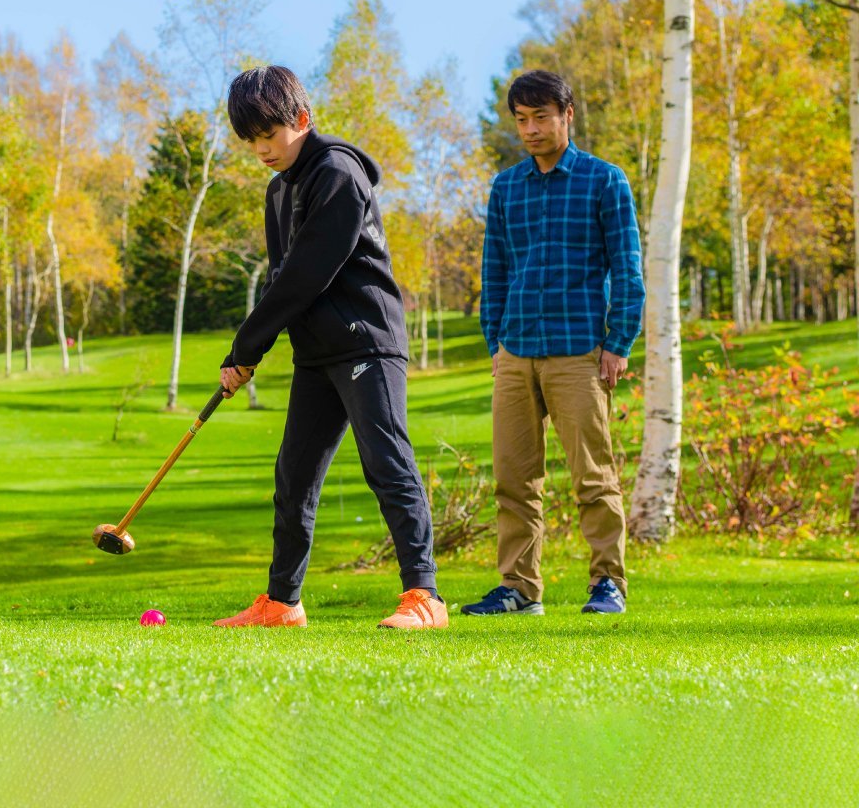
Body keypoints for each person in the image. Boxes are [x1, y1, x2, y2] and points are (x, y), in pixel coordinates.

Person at [211, 65, 446, 631]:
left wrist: (246, 344)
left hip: (367, 340)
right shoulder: (277, 191)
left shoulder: (339, 173)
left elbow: (308, 273)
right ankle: (281, 603)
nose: (263, 149)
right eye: (252, 141)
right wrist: (249, 354)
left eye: (270, 134)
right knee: (294, 476)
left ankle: (425, 597)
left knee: (386, 463)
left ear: (302, 119)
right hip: (317, 352)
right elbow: (280, 281)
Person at [462, 70, 644, 618]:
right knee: (514, 480)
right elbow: (494, 271)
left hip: (579, 351)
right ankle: (519, 588)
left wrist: (618, 343)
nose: (531, 129)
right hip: (515, 353)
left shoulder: (604, 181)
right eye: (521, 119)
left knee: (594, 475)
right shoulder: (506, 187)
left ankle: (607, 584)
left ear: (568, 115)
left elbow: (629, 271)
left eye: (541, 116)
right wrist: (494, 340)